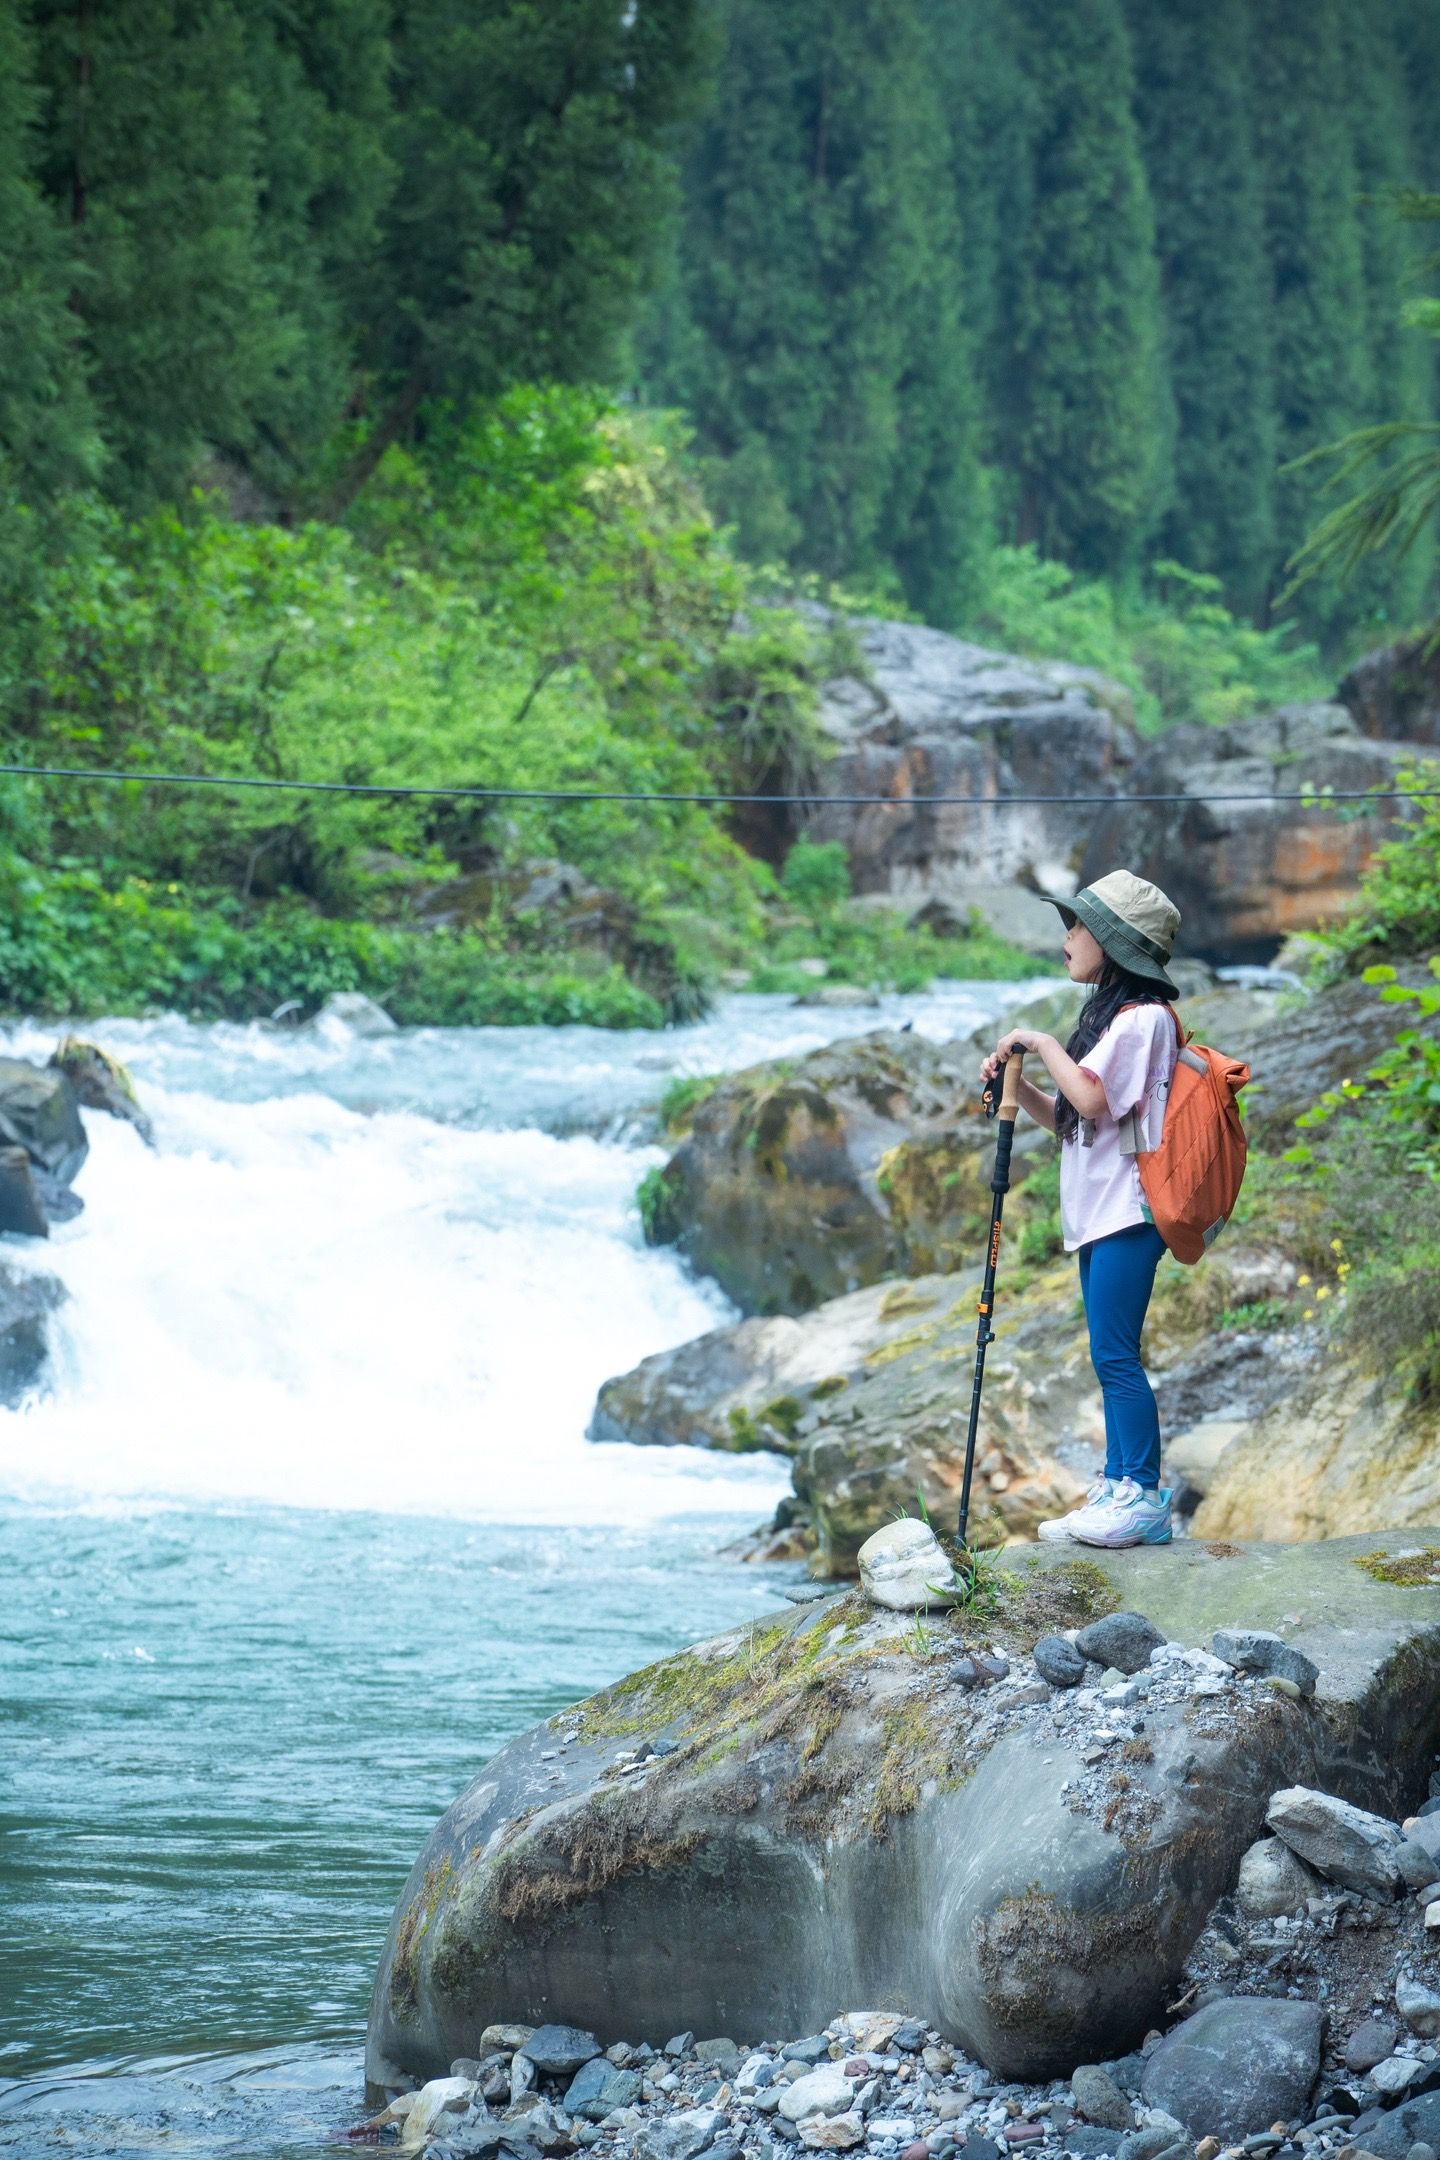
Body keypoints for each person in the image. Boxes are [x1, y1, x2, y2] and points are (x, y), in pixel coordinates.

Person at [979, 869, 1183, 1548]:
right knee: (1108, 1355)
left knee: (1117, 1355)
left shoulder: (1144, 1019)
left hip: (1130, 1211)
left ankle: (1142, 1496)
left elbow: (1093, 1100)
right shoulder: (1111, 1020)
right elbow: (1072, 1117)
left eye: (1075, 926)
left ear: (1114, 942)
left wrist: (1038, 1042)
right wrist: (1023, 1082)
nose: (1065, 938)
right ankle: (1119, 1483)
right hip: (1100, 1213)